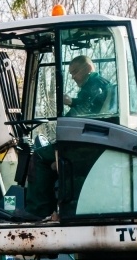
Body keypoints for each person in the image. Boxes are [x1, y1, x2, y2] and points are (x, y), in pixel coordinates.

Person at [22, 56, 109, 219]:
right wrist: (73, 101)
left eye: (75, 72)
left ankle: (37, 210)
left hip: (83, 142)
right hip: (89, 139)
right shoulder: (98, 85)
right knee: (50, 160)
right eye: (70, 73)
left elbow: (84, 113)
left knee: (39, 156)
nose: (73, 77)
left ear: (88, 68)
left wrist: (70, 106)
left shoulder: (94, 86)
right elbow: (88, 107)